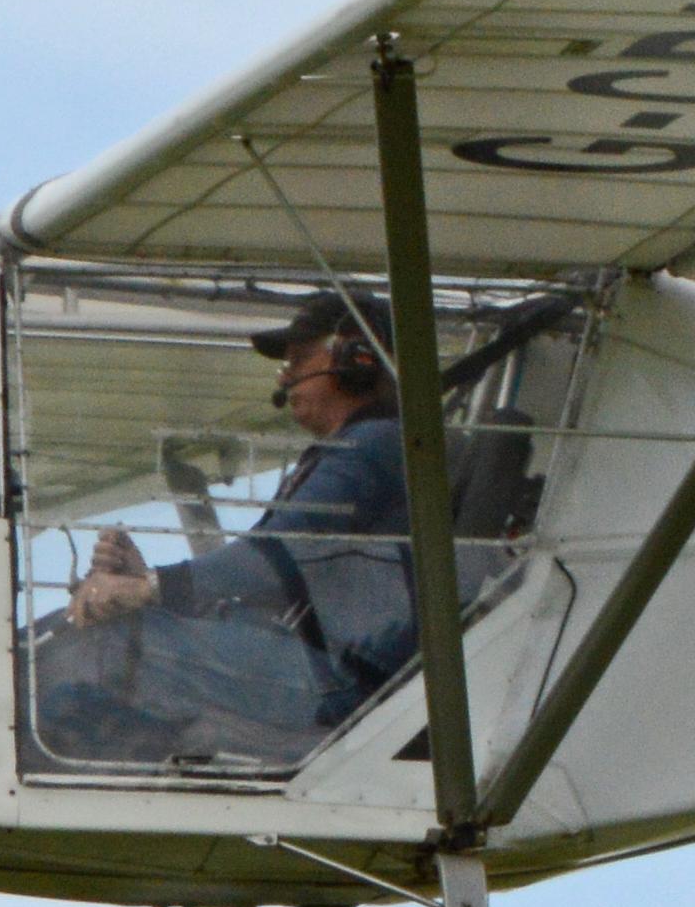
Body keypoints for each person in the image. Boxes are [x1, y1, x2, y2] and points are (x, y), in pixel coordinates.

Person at [28, 293, 418, 765]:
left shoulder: (372, 446)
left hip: (336, 680)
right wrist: (148, 583)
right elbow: (267, 580)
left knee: (108, 637)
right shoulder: (357, 450)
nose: (284, 378)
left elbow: (271, 559)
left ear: (356, 358)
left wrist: (148, 589)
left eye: (297, 361)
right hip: (310, 661)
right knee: (75, 672)